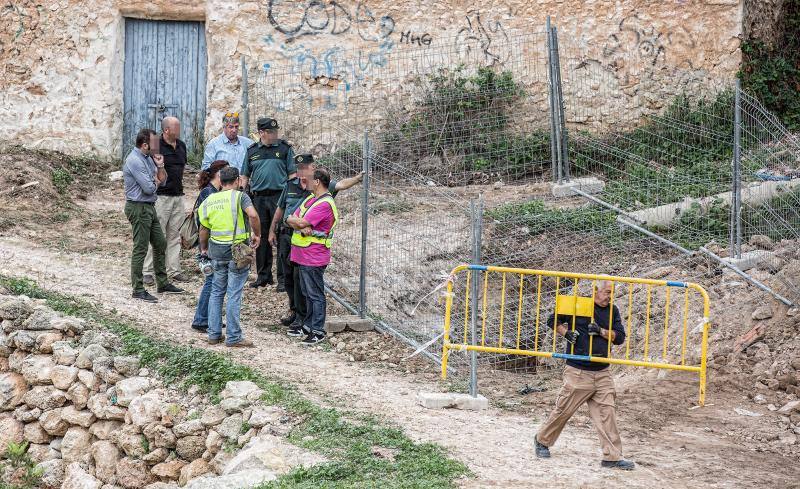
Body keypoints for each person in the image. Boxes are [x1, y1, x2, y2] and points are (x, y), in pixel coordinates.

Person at [534, 280, 635, 470]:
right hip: (578, 370)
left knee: (608, 414)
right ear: (594, 291)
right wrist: (566, 333)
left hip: (602, 371)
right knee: (564, 410)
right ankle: (542, 440)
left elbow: (620, 337)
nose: (609, 296)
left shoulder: (613, 310)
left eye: (610, 293)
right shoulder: (578, 304)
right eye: (606, 292)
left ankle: (612, 457)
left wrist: (601, 331)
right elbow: (552, 320)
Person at [268, 155, 363, 331]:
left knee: (307, 286)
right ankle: (297, 313)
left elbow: (342, 185)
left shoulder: (321, 191)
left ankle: (308, 322)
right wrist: (274, 229)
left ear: (312, 169)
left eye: (305, 167)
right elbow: (282, 211)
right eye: (299, 168)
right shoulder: (291, 186)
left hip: (310, 250)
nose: (301, 171)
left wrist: (357, 179)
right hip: (290, 239)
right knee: (290, 280)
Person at [198, 166, 261, 347]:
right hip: (237, 251)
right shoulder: (240, 196)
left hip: (216, 250)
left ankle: (214, 334)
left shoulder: (210, 199)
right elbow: (253, 215)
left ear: (221, 181)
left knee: (217, 292)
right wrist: (257, 234)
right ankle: (233, 337)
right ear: (237, 181)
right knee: (234, 293)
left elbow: (203, 228)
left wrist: (204, 248)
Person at [122, 128, 185, 302]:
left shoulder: (149, 158)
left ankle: (162, 282)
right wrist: (155, 181)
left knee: (160, 242)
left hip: (149, 206)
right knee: (140, 248)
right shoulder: (134, 160)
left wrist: (160, 166)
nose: (157, 149)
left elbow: (162, 180)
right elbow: (149, 188)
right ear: (144, 145)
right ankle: (138, 288)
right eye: (154, 145)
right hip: (138, 207)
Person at [241, 117, 295, 288]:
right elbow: (245, 176)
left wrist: (291, 198)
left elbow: (292, 175)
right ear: (261, 133)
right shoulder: (251, 151)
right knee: (261, 236)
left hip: (279, 198)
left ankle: (283, 279)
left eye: (276, 131)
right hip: (258, 198)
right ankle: (263, 276)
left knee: (280, 236)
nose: (275, 134)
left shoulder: (285, 149)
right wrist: (243, 195)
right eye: (271, 132)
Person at [286, 168, 338, 345]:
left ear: (317, 182)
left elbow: (298, 220)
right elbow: (290, 217)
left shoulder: (324, 204)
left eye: (309, 179)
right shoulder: (311, 199)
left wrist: (298, 223)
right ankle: (307, 325)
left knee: (315, 294)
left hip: (314, 256)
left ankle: (317, 330)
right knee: (307, 293)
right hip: (302, 254)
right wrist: (298, 224)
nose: (305, 181)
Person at [143, 116, 190, 285]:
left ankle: (174, 270)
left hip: (178, 196)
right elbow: (148, 167)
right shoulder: (155, 143)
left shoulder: (182, 145)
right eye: (176, 128)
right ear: (166, 130)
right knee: (156, 234)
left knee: (175, 235)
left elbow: (182, 168)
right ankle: (147, 271)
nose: (179, 130)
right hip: (161, 197)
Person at [191, 160, 229, 332]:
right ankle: (201, 319)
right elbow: (207, 221)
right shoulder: (209, 193)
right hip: (208, 243)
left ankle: (209, 318)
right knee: (212, 281)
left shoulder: (213, 191)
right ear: (219, 174)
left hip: (211, 243)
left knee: (214, 281)